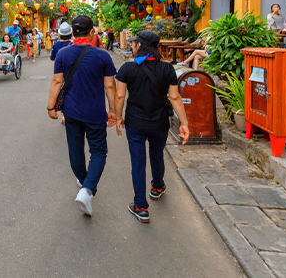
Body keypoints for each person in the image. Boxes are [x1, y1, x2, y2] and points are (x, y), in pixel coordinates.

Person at [114, 31, 190, 224]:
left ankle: (140, 206)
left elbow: (120, 96)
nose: (131, 45)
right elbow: (174, 97)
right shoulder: (167, 69)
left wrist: (118, 117)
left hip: (135, 123)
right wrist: (184, 123)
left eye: (134, 43)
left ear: (141, 46)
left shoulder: (127, 69)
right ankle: (157, 187)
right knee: (156, 154)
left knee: (138, 161)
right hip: (159, 122)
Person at [47, 15, 117, 217]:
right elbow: (110, 85)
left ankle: (84, 181)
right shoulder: (102, 56)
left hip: (71, 111)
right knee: (99, 152)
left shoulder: (63, 54)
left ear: (72, 33)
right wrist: (113, 111)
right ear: (92, 32)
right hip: (95, 112)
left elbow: (56, 82)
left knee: (75, 149)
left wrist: (51, 108)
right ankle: (87, 189)